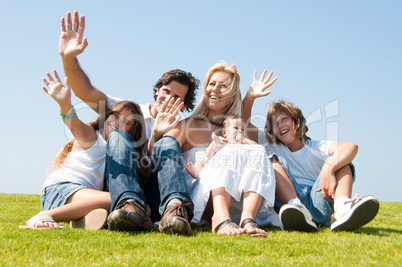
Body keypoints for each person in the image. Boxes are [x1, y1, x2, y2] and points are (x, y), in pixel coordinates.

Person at [58, 11, 200, 234]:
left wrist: (159, 136)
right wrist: (68, 58)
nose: (168, 98)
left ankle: (175, 210)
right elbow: (85, 91)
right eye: (165, 91)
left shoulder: (180, 127)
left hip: (155, 197)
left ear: (184, 104)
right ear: (156, 91)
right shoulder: (127, 111)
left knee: (166, 144)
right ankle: (129, 206)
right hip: (122, 191)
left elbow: (151, 170)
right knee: (118, 136)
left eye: (176, 97)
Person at [164, 61, 281, 236]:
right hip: (202, 199)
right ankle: (219, 218)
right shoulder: (188, 125)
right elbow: (162, 153)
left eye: (223, 86)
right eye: (211, 84)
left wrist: (249, 98)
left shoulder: (237, 128)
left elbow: (249, 135)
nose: (215, 89)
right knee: (228, 149)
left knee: (254, 149)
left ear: (233, 94)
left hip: (238, 200)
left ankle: (248, 219)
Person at [20, 70, 146, 230]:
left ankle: (82, 219)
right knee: (120, 200)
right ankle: (44, 216)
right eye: (115, 115)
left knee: (140, 206)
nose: (117, 121)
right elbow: (72, 121)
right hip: (61, 189)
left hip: (84, 197)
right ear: (107, 116)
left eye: (126, 121)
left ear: (132, 133)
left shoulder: (122, 151)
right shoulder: (92, 135)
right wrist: (64, 103)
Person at [260, 100, 379, 232]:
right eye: (275, 123)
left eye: (284, 119)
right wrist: (250, 97)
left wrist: (328, 168)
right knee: (272, 160)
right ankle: (296, 208)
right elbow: (244, 125)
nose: (280, 125)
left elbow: (351, 147)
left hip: (320, 200)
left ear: (296, 120)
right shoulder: (273, 147)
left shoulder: (315, 147)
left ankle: (342, 209)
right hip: (291, 207)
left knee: (341, 161)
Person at [186, 115, 261, 179]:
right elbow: (208, 154)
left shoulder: (243, 144)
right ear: (224, 133)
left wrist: (244, 140)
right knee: (201, 160)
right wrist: (215, 144)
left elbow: (256, 147)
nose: (240, 131)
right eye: (236, 128)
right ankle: (197, 173)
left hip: (230, 165)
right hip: (215, 163)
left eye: (243, 129)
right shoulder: (222, 140)